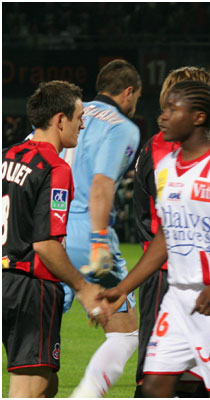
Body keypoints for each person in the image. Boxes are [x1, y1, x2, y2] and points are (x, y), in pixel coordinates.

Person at [100, 80, 210, 397]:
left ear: (198, 117)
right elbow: (166, 237)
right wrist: (122, 288)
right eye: (164, 109)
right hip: (178, 298)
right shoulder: (165, 168)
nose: (162, 117)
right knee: (154, 386)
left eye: (173, 110)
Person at [2, 81, 104, 397]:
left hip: (5, 277)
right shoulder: (55, 168)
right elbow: (46, 244)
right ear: (60, 120)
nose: (82, 125)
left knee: (48, 383)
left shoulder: (7, 156)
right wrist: (83, 288)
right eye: (79, 117)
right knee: (29, 389)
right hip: (30, 289)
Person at [132, 66, 210, 397]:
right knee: (161, 378)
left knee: (190, 375)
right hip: (169, 273)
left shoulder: (167, 149)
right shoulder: (164, 152)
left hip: (181, 273)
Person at [61, 59, 142, 397]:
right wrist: (98, 241)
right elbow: (101, 183)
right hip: (85, 232)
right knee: (126, 331)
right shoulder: (123, 127)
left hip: (45, 232)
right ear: (128, 92)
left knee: (36, 329)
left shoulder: (66, 114)